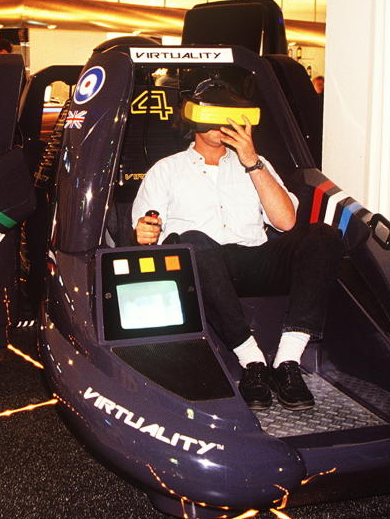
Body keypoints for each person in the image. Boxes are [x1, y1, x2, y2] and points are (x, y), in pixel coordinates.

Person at [131, 79, 343, 411]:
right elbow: (147, 227)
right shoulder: (165, 170)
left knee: (323, 236)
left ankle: (287, 361)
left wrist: (252, 161)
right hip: (200, 268)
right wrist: (145, 230)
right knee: (194, 242)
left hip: (254, 257)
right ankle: (252, 362)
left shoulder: (257, 163)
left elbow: (286, 222)